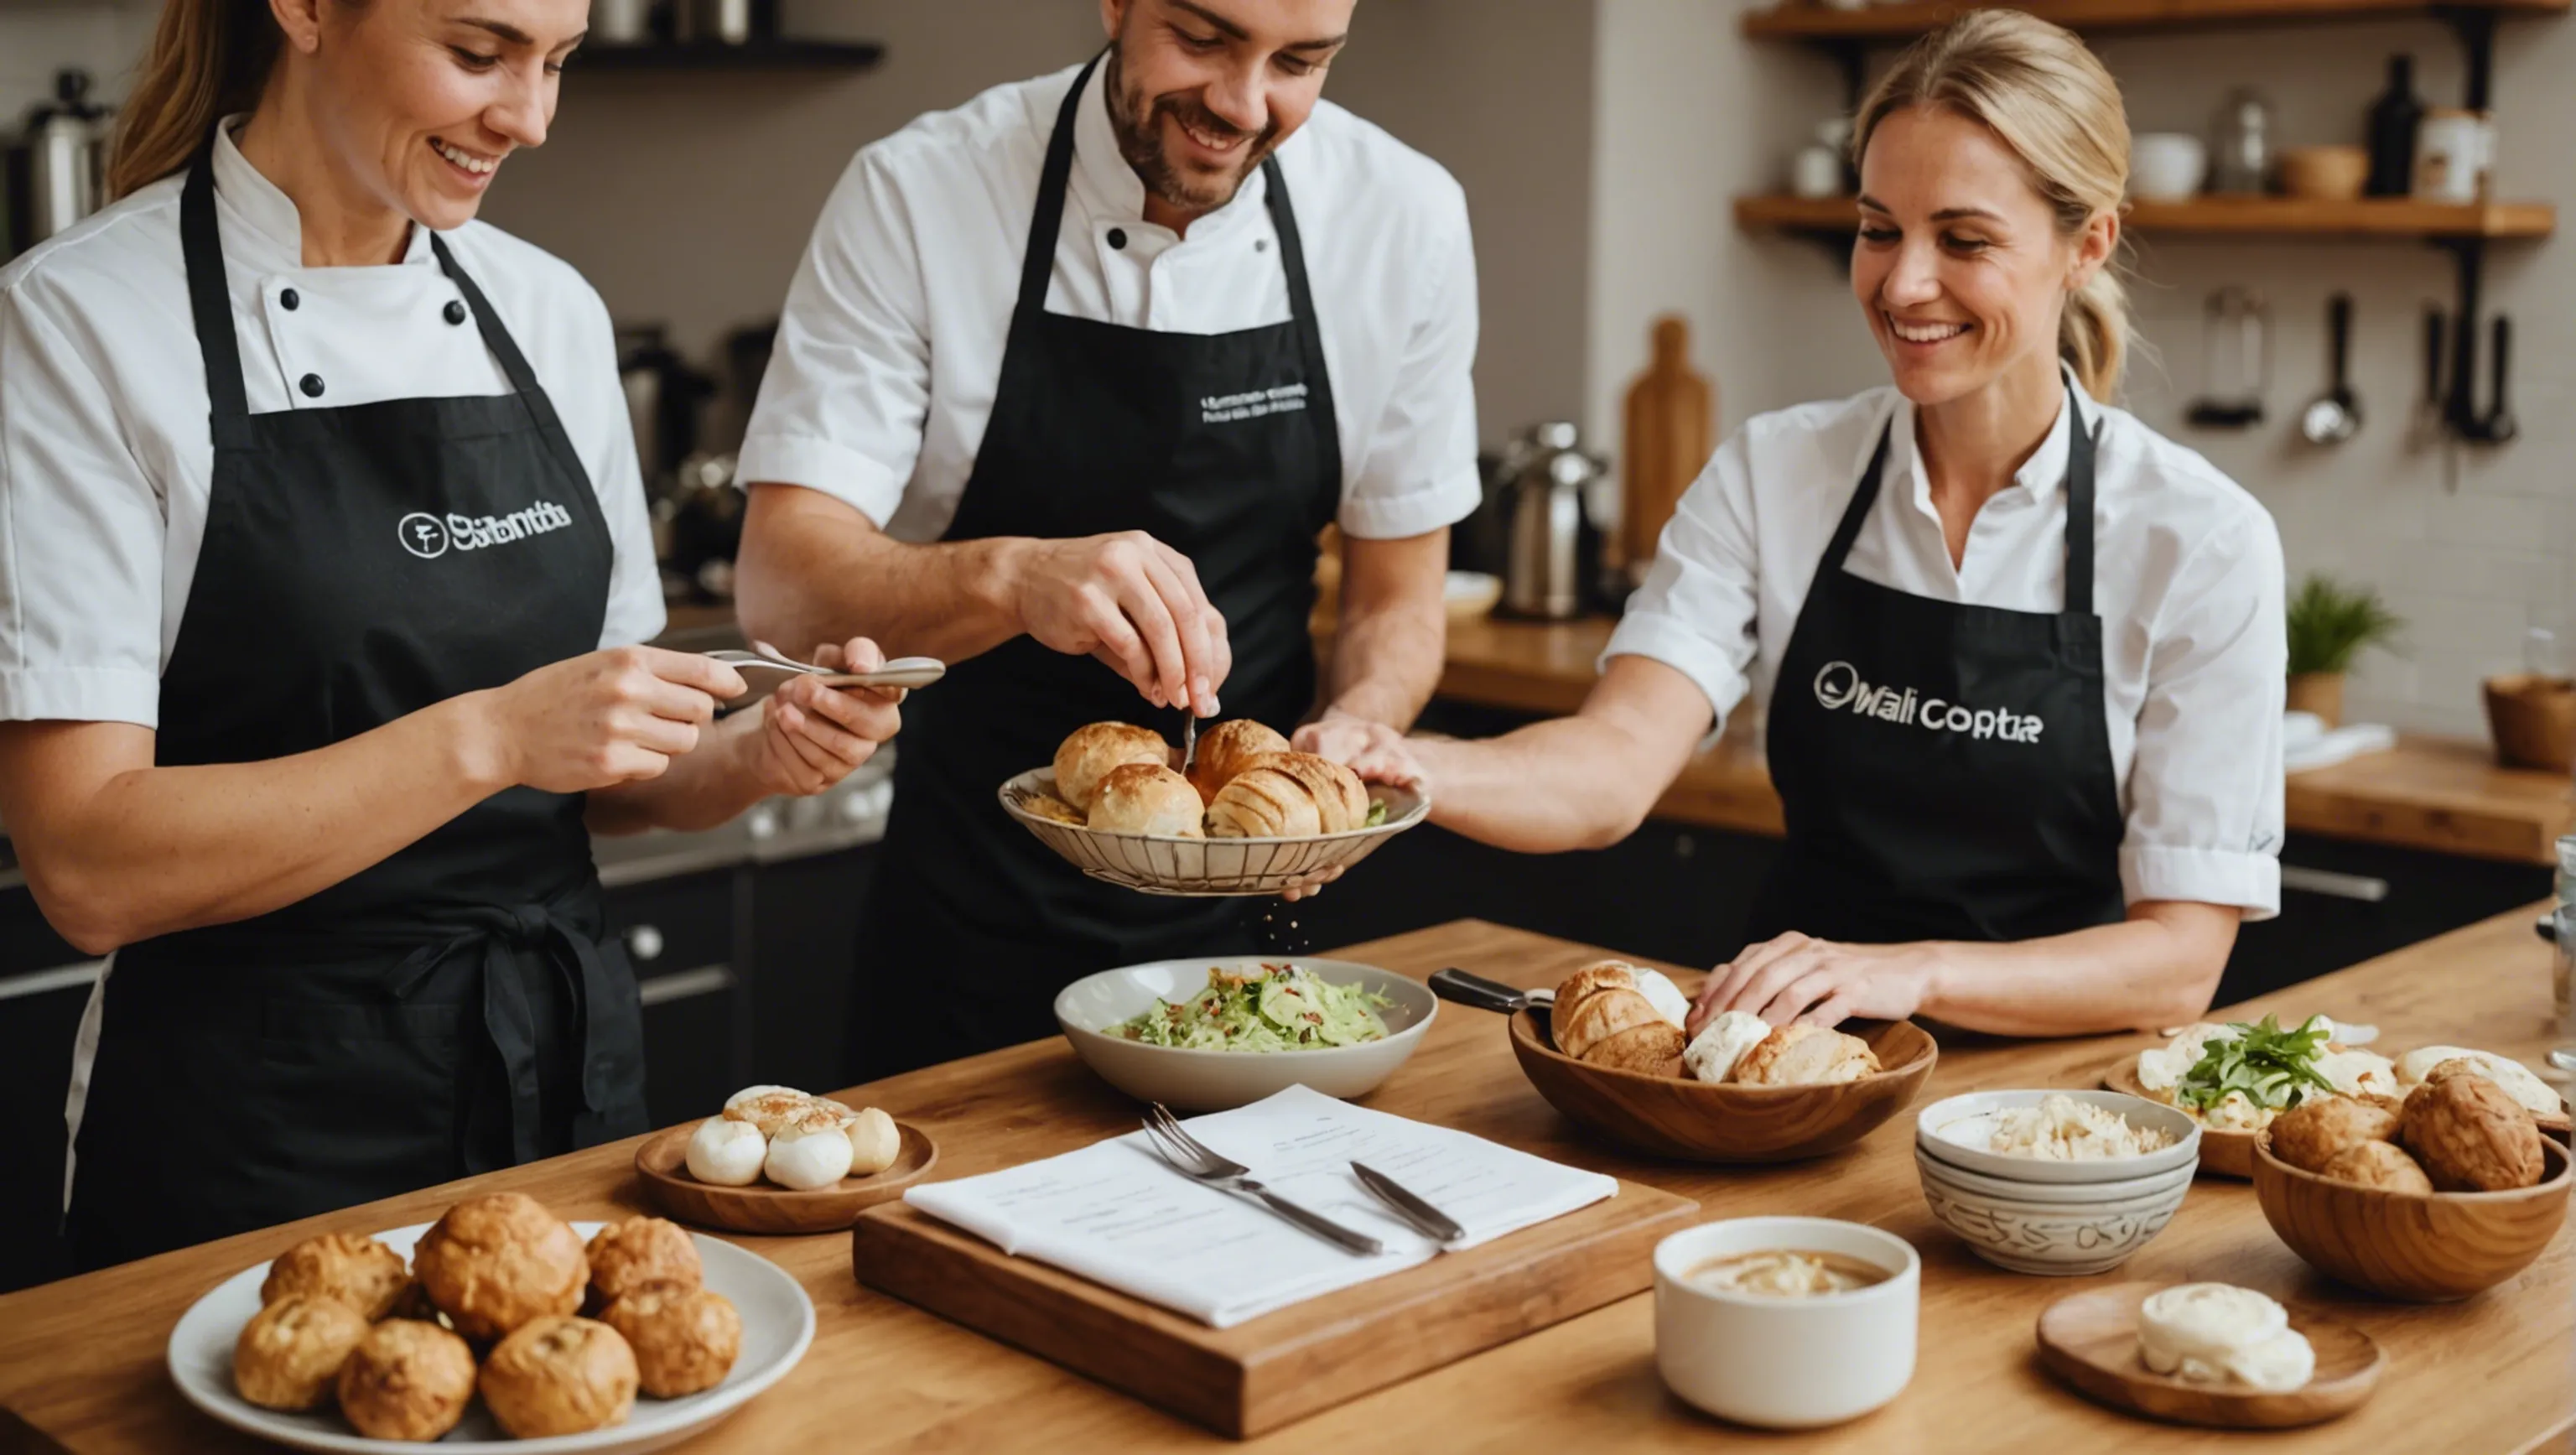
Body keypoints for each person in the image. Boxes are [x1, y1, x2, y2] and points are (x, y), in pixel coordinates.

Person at [0, 0, 901, 1268]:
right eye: (478, 54)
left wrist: (761, 752)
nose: (529, 119)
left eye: (557, 63)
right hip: (254, 1141)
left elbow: (611, 777)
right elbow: (87, 867)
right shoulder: (81, 323)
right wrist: (494, 731)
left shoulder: (551, 313)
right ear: (306, 11)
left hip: (563, 1105)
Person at [1315, 10, 2285, 1041]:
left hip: (2046, 1120)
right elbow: (1610, 768)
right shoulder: (1778, 473)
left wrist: (1905, 975)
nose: (1904, 283)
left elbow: (2178, 962)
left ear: (2087, 243)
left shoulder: (2200, 541)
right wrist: (1410, 764)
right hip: (1780, 1060)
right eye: (1878, 229)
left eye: (1963, 239)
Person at [732, 0, 1479, 1076]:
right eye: (1205, 39)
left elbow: (1395, 601)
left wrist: (1355, 735)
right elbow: (780, 582)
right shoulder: (923, 191)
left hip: (1253, 943)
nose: (1241, 104)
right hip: (973, 921)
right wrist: (1015, 574)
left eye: (1299, 63)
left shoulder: (1400, 216)